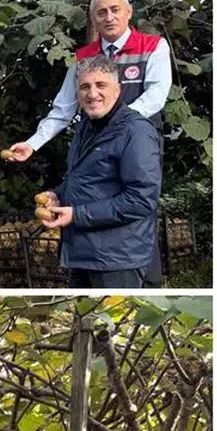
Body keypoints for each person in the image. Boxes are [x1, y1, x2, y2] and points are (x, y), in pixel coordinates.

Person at [8, 0, 171, 286]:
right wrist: (32, 144)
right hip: (95, 141)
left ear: (129, 12)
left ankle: (147, 280)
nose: (109, 17)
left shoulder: (152, 47)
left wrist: (116, 124)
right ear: (93, 19)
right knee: (91, 196)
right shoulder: (83, 58)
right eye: (101, 13)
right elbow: (63, 109)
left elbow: (156, 97)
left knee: (134, 209)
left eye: (115, 10)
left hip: (136, 142)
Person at [39, 55, 161, 288]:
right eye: (85, 87)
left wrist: (77, 215)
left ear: (118, 90)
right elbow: (86, 180)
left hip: (118, 259)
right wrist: (58, 195)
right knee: (84, 321)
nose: (92, 94)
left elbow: (141, 199)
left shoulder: (135, 131)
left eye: (100, 85)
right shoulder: (86, 127)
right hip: (83, 254)